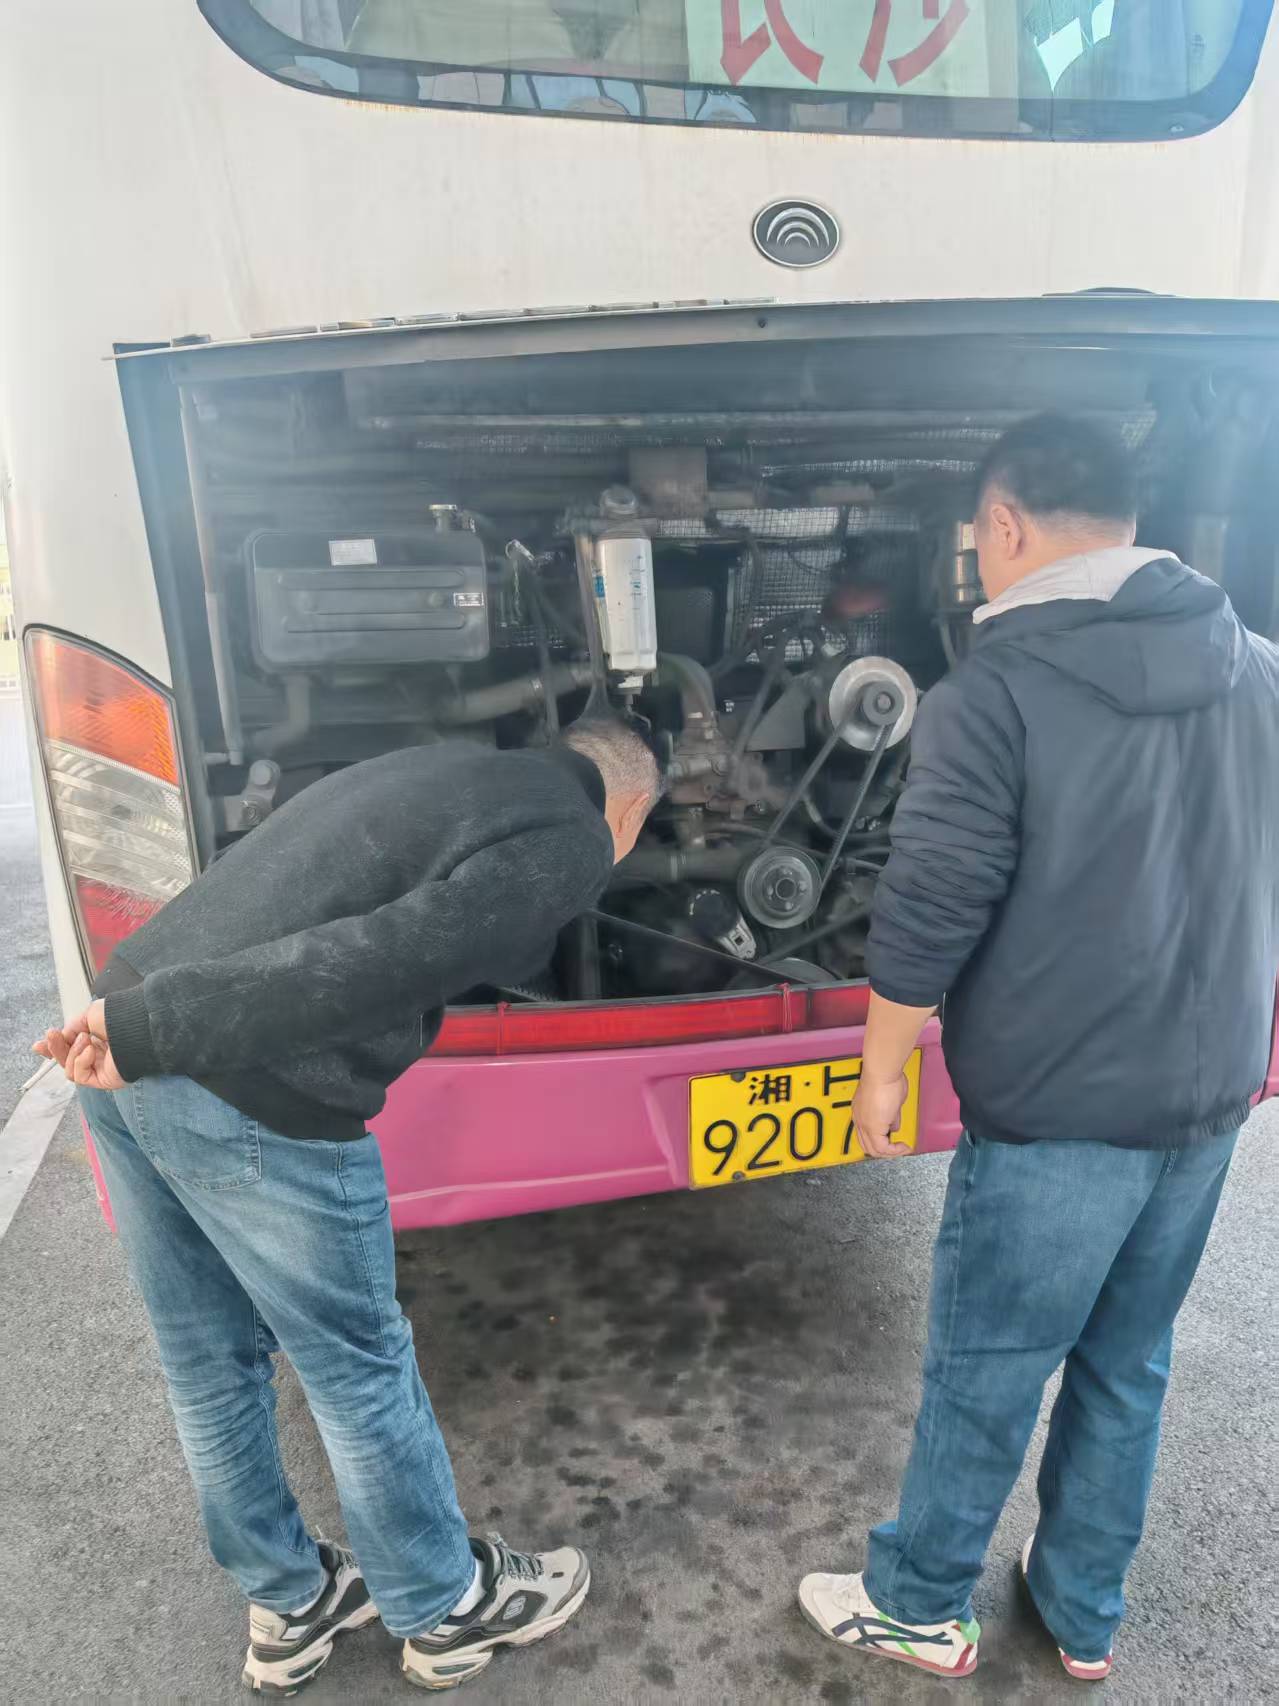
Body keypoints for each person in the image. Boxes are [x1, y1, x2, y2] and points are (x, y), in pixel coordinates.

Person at [798, 414, 1279, 1682]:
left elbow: (933, 899)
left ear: (1002, 525)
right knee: (1127, 1361)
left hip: (1061, 1106)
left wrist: (881, 1066)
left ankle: (916, 1600)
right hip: (1207, 1098)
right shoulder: (1256, 665)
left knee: (988, 1368)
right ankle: (1079, 1608)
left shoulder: (995, 693)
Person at [35, 718, 659, 1695]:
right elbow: (392, 955)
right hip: (218, 1065)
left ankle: (290, 1601)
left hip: (115, 1035)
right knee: (358, 1368)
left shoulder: (442, 767)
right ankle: (444, 1607)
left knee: (207, 1362)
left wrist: (144, 1021)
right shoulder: (573, 831)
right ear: (630, 808)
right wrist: (166, 1027)